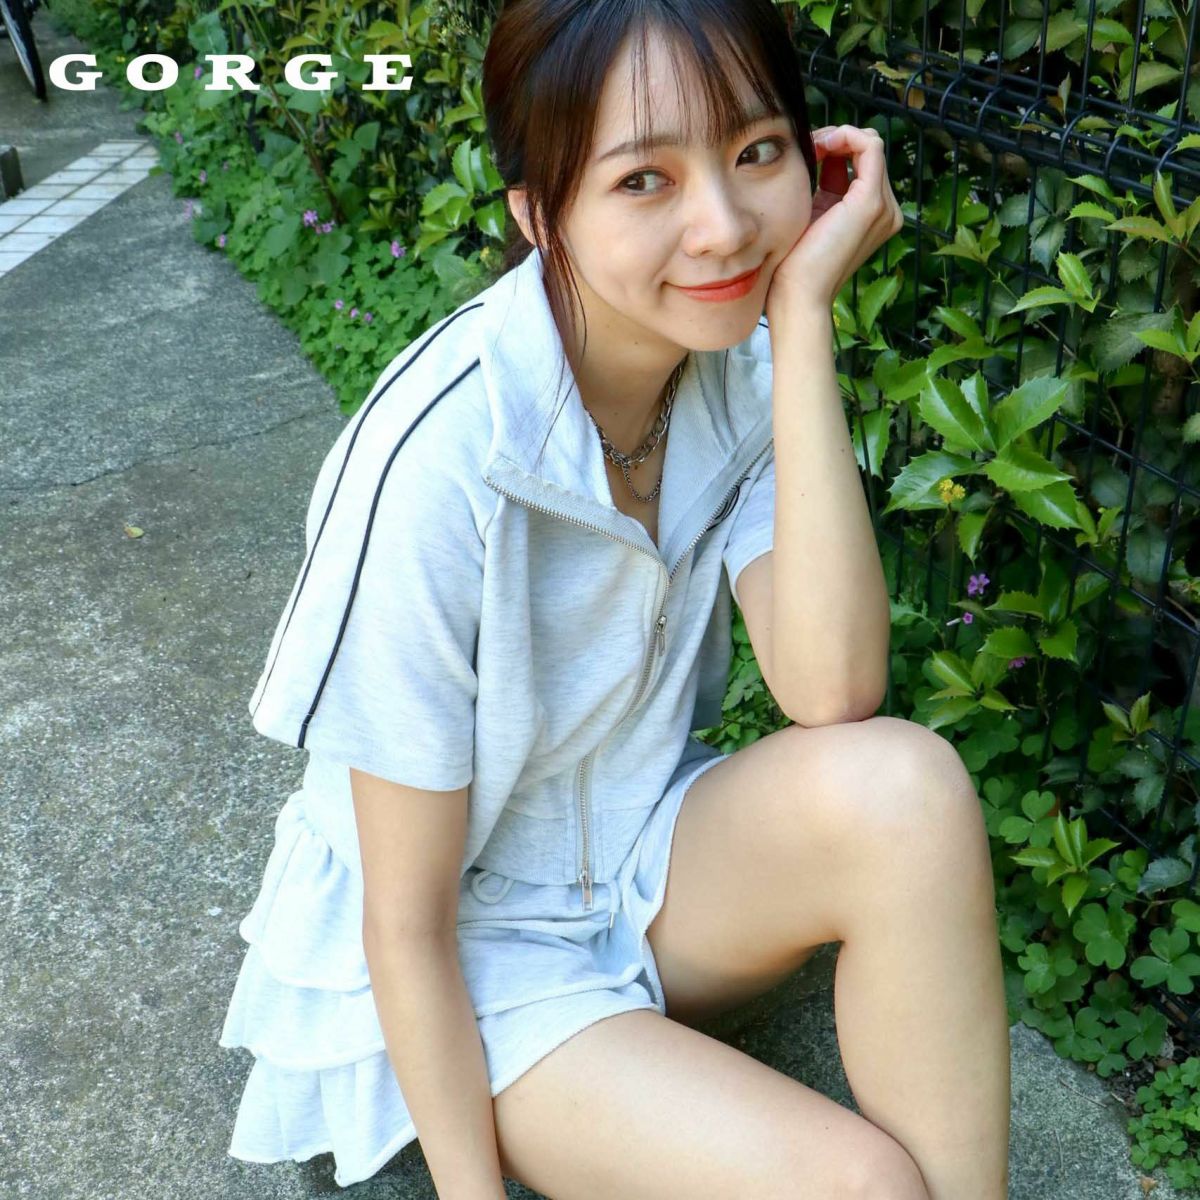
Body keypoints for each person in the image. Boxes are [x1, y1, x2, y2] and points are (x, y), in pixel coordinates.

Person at [218, 0, 1012, 1196]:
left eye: (756, 151)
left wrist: (802, 319)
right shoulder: (440, 457)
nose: (724, 226)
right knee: (862, 1187)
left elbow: (832, 685)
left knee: (909, 788)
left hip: (644, 865)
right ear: (540, 215)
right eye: (645, 179)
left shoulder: (738, 367)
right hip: (480, 953)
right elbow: (407, 922)